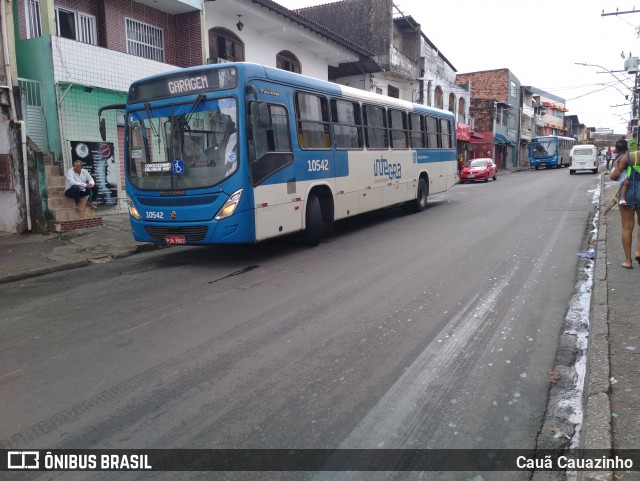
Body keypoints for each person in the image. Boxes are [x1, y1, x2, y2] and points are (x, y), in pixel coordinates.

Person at [609, 139, 640, 269]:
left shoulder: (630, 156)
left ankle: (628, 261)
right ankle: (639, 251)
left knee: (627, 227)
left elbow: (614, 176)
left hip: (627, 192)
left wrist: (616, 166)